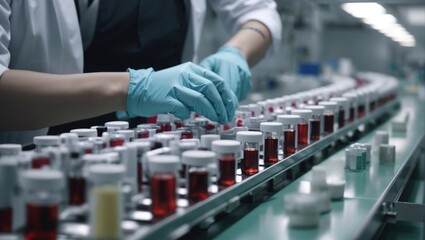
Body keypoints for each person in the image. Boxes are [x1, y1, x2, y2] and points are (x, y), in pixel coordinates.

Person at [0, 0, 281, 144]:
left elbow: (257, 11)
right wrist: (131, 89)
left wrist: (235, 54)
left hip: (159, 146)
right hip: (38, 158)